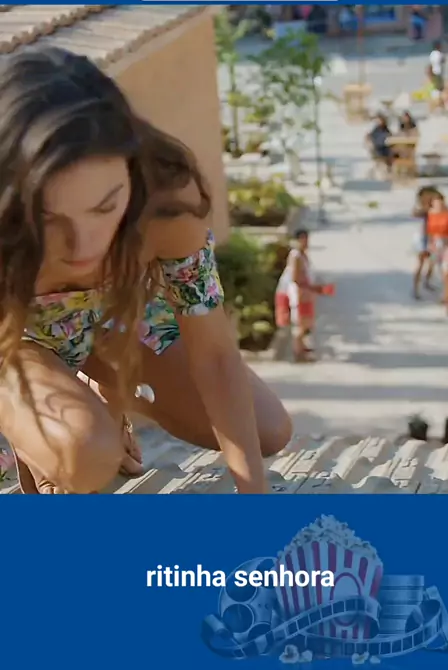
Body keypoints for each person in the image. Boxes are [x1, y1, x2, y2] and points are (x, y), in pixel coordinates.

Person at [0, 47, 292, 495]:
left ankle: (110, 389)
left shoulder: (169, 200)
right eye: (51, 220)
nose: (84, 245)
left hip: (120, 317)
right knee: (86, 455)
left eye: (105, 207)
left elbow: (215, 357)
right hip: (17, 337)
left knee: (267, 430)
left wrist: (255, 503)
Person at [275, 230, 335, 363]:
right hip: (298, 294)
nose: (305, 242)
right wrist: (314, 289)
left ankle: (302, 347)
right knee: (301, 324)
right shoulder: (296, 256)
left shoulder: (303, 255)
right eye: (302, 239)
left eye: (306, 239)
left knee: (307, 322)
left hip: (306, 293)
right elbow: (296, 278)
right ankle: (298, 353)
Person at [427, 194, 448, 315]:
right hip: (436, 248)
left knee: (447, 274)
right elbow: (430, 233)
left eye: (440, 202)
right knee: (442, 273)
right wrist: (430, 250)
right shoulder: (431, 215)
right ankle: (445, 296)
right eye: (436, 203)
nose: (438, 205)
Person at [412, 186, 441, 299]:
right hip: (423, 240)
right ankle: (415, 289)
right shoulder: (426, 210)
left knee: (432, 262)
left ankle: (426, 282)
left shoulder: (435, 209)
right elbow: (415, 213)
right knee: (421, 263)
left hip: (433, 240)